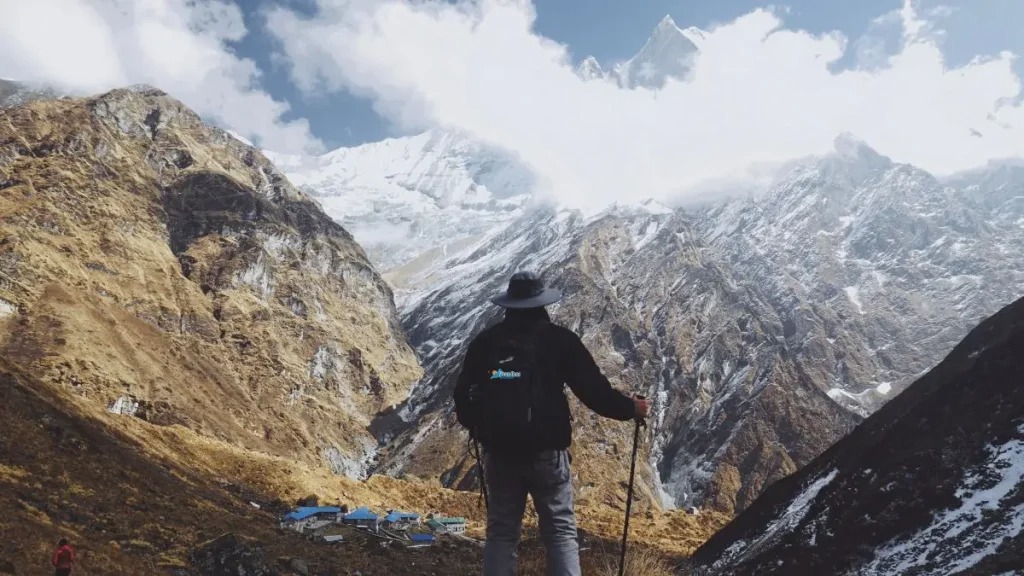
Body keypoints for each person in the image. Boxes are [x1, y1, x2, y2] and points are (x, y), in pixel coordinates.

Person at [454, 271, 650, 576]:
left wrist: (482, 430)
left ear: (509, 304)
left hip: (500, 453)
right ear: (542, 303)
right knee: (559, 532)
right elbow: (594, 392)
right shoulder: (560, 341)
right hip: (547, 454)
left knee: (502, 534)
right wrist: (632, 408)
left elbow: (462, 398)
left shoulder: (486, 342)